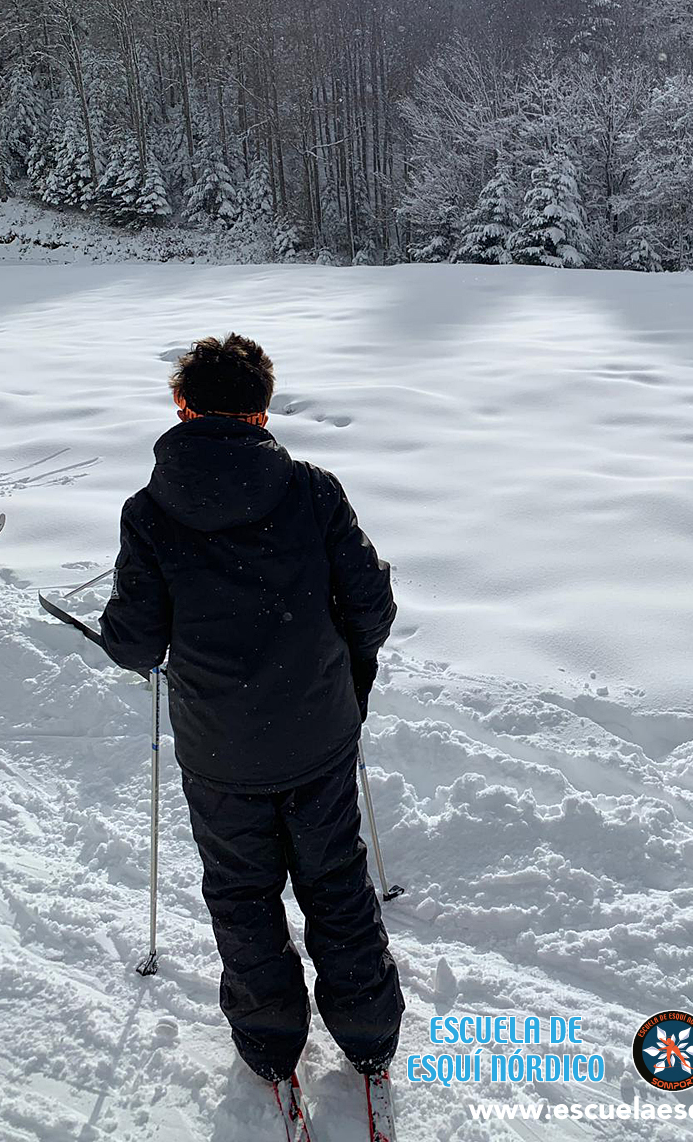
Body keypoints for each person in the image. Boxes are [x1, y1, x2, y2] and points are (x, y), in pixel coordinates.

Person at [99, 332, 403, 1085]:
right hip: (318, 732)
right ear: (261, 413)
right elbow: (371, 604)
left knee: (241, 891)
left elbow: (134, 643)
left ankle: (270, 1044)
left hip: (220, 751)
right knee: (334, 879)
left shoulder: (150, 511)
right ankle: (368, 1032)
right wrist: (349, 677)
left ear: (182, 406)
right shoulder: (312, 489)